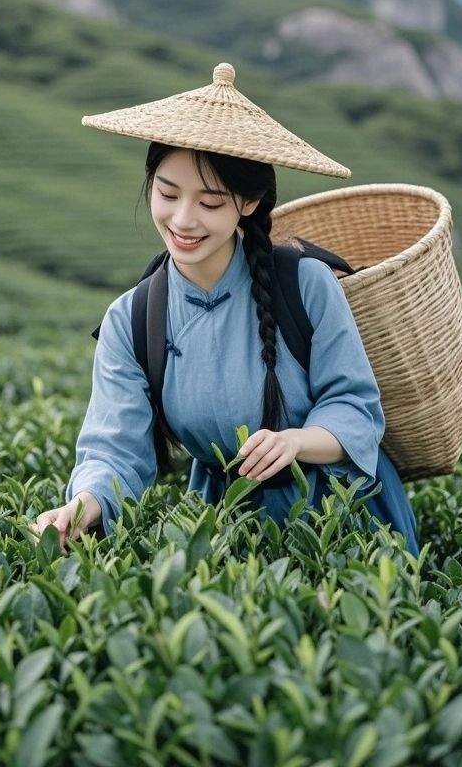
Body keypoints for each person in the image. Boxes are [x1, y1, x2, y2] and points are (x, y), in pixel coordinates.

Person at [35, 63, 418, 556]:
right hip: (222, 527)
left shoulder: (305, 283)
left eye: (210, 202)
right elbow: (115, 451)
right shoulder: (131, 321)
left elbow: (356, 409)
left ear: (250, 201)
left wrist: (296, 442)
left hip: (342, 519)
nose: (183, 219)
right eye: (167, 193)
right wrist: (82, 506)